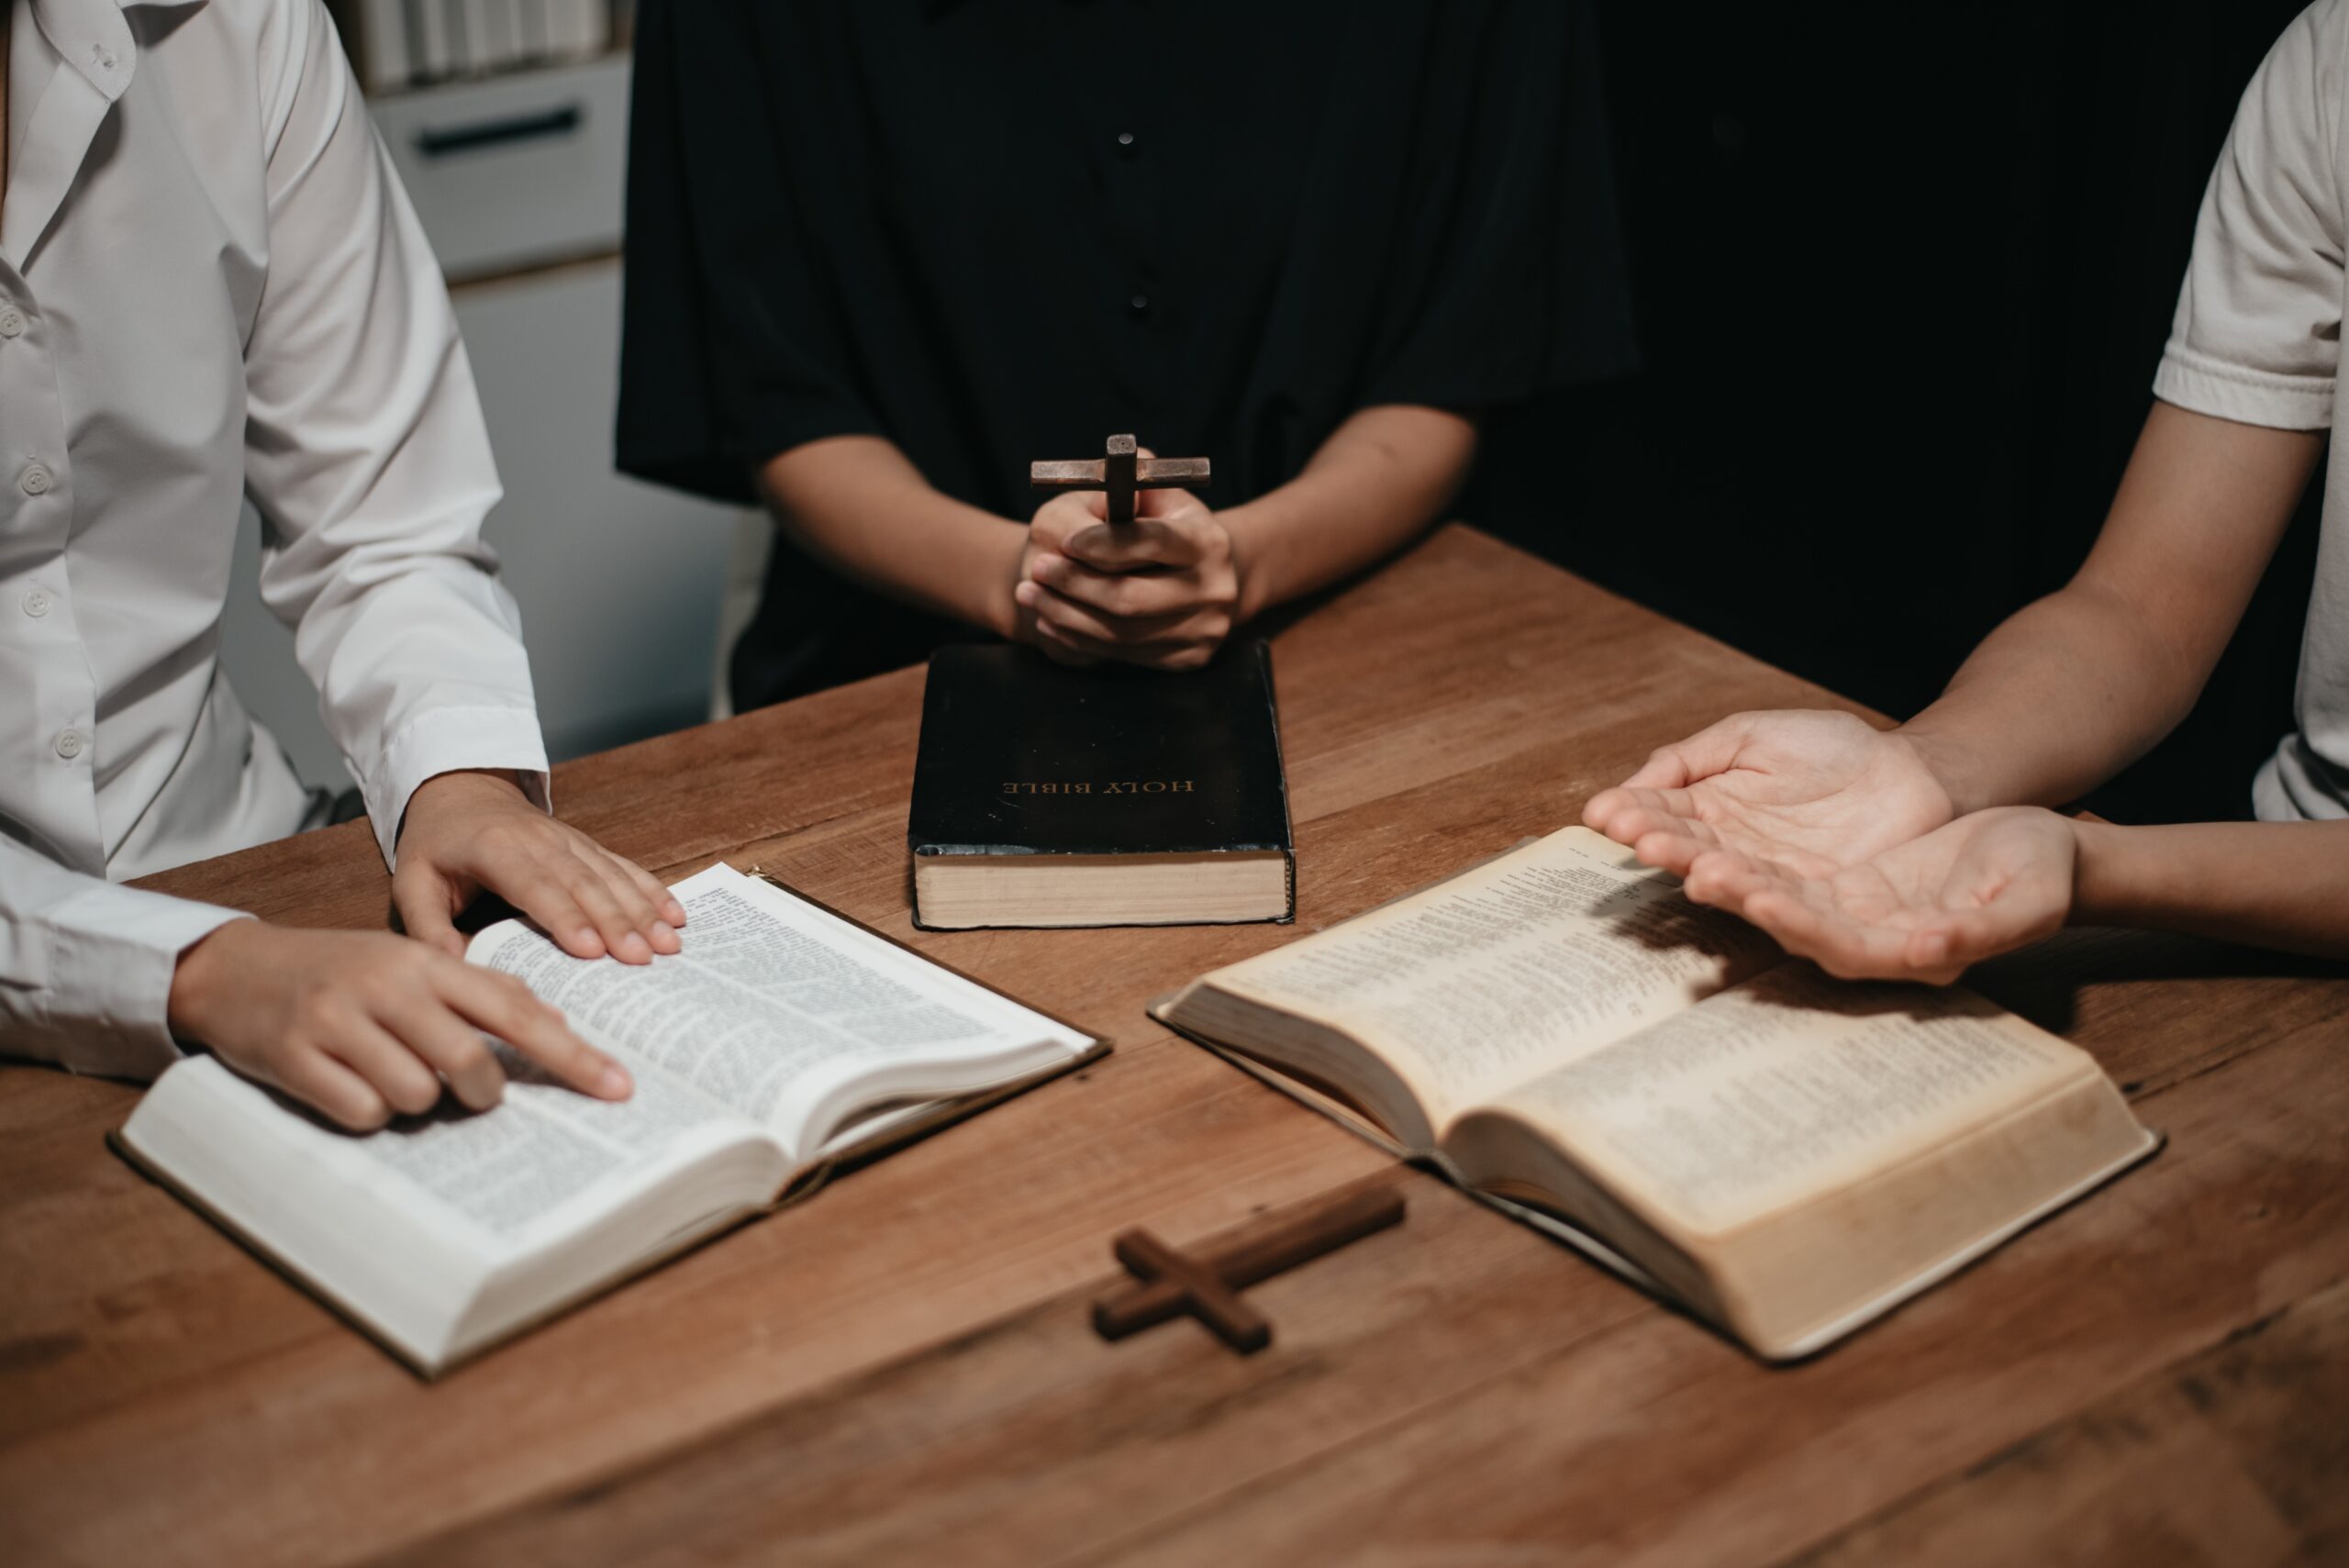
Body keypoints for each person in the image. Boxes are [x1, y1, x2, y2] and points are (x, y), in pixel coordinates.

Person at [1, 0, 683, 1129]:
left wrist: (456, 776)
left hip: (243, 862)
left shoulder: (244, 22)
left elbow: (382, 514)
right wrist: (193, 970)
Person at [1584, 1, 2349, 984]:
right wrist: (1923, 766)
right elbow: (2145, 608)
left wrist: (2093, 862)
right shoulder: (2328, 56)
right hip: (2270, 934)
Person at [617, 0, 1634, 708]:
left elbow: (1454, 363)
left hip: (1361, 640)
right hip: (893, 664)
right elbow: (780, 405)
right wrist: (1021, 580)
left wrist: (1239, 562)